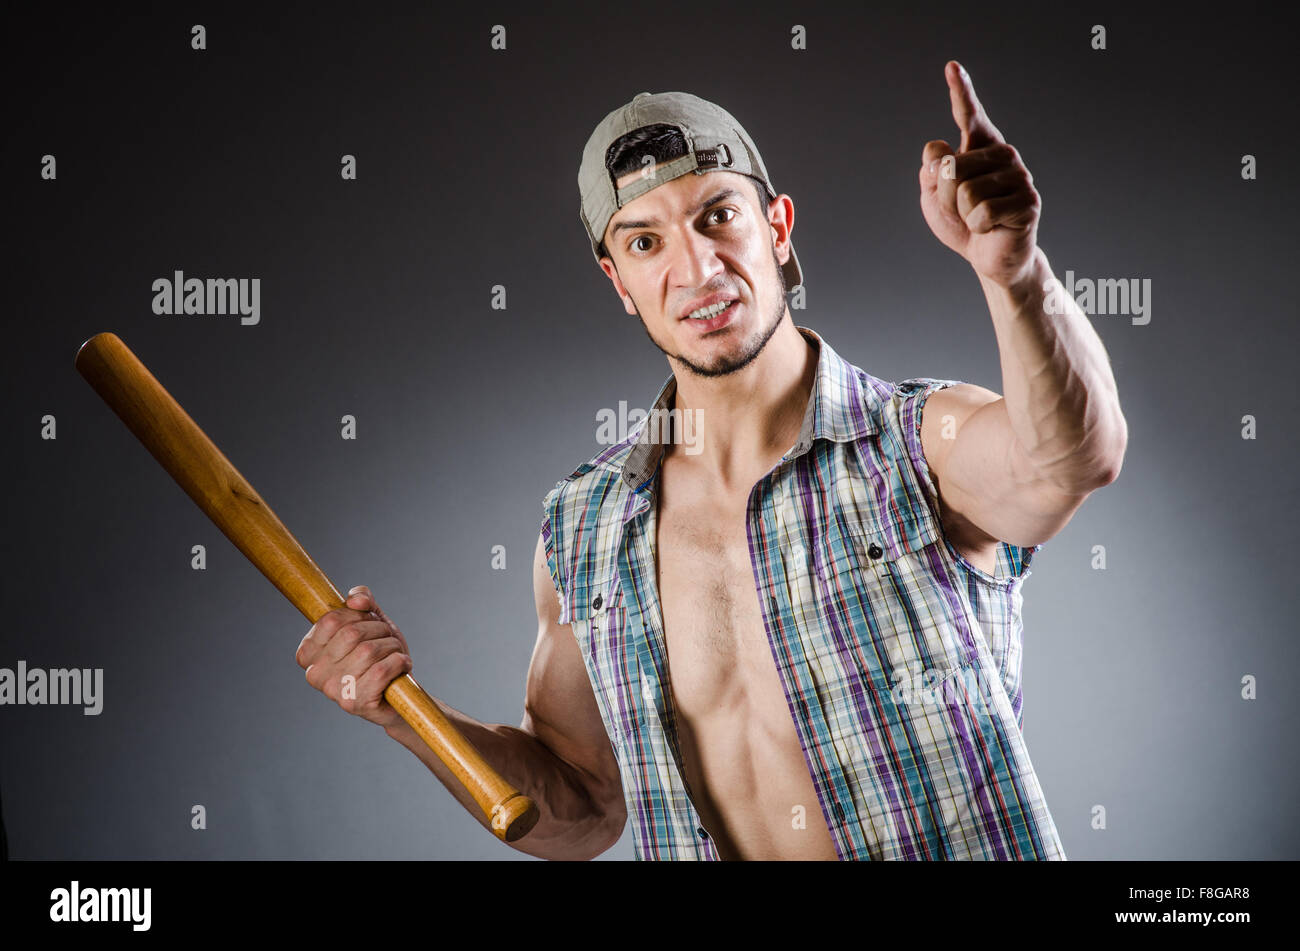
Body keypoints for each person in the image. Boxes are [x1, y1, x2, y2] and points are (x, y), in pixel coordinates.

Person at [296, 61, 1127, 860]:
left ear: (777, 226)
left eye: (718, 215)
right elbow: (583, 809)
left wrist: (1017, 275)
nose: (695, 268)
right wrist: (407, 715)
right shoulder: (585, 530)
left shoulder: (919, 442)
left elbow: (1072, 458)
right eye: (646, 241)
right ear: (618, 279)